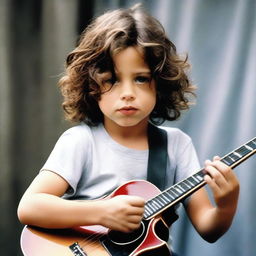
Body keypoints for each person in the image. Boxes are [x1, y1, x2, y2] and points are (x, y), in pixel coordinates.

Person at [17, 4, 239, 255]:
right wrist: (103, 213)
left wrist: (226, 205)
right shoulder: (81, 141)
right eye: (111, 80)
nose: (128, 94)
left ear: (160, 83)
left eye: (141, 78)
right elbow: (30, 207)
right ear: (91, 86)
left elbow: (208, 229)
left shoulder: (177, 145)